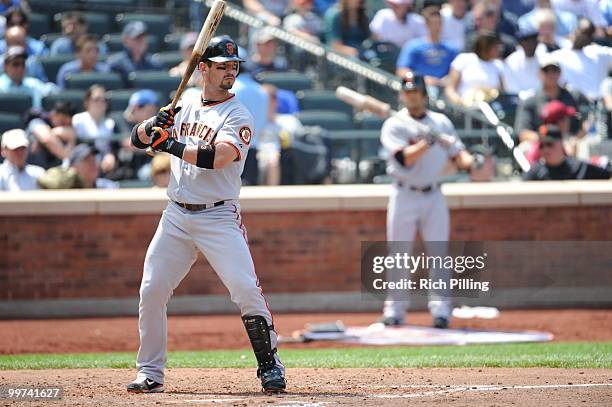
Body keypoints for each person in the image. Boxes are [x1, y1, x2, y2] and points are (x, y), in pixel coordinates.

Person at [126, 36, 286, 394]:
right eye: (221, 65)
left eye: (234, 66)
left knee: (245, 288)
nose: (230, 71)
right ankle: (150, 371)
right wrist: (153, 125)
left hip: (218, 216)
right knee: (151, 290)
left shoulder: (238, 113)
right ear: (203, 69)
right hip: (176, 216)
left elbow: (219, 158)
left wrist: (169, 143)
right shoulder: (182, 104)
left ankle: (270, 365)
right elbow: (136, 141)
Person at [379, 72, 488, 329]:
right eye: (407, 92)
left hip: (434, 194)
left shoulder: (441, 123)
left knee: (439, 253)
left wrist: (473, 162)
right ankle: (395, 310)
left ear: (424, 95)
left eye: (415, 92)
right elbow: (404, 159)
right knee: (399, 254)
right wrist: (428, 140)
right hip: (404, 193)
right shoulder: (395, 125)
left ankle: (441, 311)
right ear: (402, 95)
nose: (412, 97)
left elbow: (458, 155)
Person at [515, 55, 588, 143]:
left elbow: (585, 124)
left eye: (554, 71)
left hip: (571, 142)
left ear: (560, 73)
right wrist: (549, 140)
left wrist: (574, 140)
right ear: (539, 74)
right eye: (546, 71)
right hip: (541, 144)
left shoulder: (574, 96)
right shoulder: (530, 100)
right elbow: (523, 133)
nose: (551, 74)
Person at [396, 6, 458, 88]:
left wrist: (449, 79)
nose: (436, 27)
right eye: (433, 23)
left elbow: (457, 71)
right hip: (420, 88)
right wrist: (421, 79)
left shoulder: (451, 48)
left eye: (439, 23)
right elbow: (401, 70)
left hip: (444, 88)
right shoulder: (413, 46)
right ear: (426, 24)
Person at [552, 18, 612, 100]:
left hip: (598, 103)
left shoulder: (597, 52)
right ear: (575, 30)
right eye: (582, 33)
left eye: (588, 34)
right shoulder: (559, 55)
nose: (583, 37)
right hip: (574, 102)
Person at [523, 124, 611, 180]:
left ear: (561, 143)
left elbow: (608, 175)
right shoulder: (534, 171)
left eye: (549, 144)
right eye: (541, 146)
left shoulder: (579, 167)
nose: (545, 149)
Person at [445, 31, 505, 107]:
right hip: (463, 110)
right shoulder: (463, 59)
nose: (499, 49)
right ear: (485, 46)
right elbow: (450, 89)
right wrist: (461, 103)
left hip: (490, 112)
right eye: (495, 47)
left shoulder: (498, 65)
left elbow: (502, 93)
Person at [259, 84, 304, 185]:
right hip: (255, 155)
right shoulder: (251, 122)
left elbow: (299, 146)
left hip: (280, 157)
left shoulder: (288, 121)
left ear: (275, 102)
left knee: (273, 160)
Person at [71, 85, 117, 174]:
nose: (100, 102)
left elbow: (112, 148)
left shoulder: (110, 123)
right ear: (87, 102)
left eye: (104, 100)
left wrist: (110, 156)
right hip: (82, 162)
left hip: (105, 166)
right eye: (96, 99)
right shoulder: (77, 120)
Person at [37, 143, 118, 189]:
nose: (93, 164)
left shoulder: (108, 187)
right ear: (73, 167)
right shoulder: (64, 189)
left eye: (94, 160)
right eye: (87, 161)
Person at [106, 21, 163, 86]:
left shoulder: (155, 63)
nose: (142, 40)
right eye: (137, 37)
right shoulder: (115, 64)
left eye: (144, 37)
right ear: (125, 40)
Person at [26, 101, 77, 169]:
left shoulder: (68, 131)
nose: (64, 126)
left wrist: (72, 139)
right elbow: (46, 138)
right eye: (63, 121)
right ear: (55, 114)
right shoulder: (36, 121)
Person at [502, 27, 541, 96]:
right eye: (526, 41)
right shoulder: (511, 62)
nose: (531, 44)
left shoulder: (544, 58)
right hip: (519, 102)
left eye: (533, 40)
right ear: (521, 43)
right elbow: (512, 89)